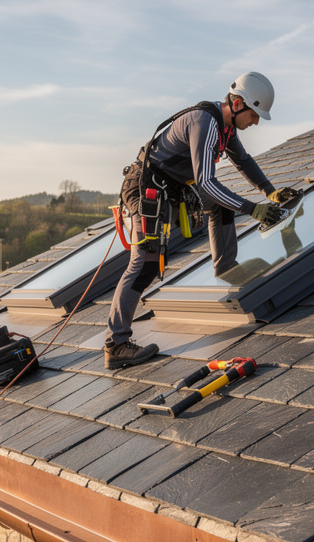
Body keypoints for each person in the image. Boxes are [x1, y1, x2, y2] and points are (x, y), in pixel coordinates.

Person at [103, 71, 300, 370]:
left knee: (221, 206)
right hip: (146, 189)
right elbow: (207, 183)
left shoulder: (225, 129)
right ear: (237, 105)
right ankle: (115, 344)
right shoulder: (205, 123)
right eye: (255, 114)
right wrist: (254, 209)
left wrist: (269, 192)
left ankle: (226, 268)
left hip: (171, 189)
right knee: (144, 263)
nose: (256, 121)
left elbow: (243, 161)